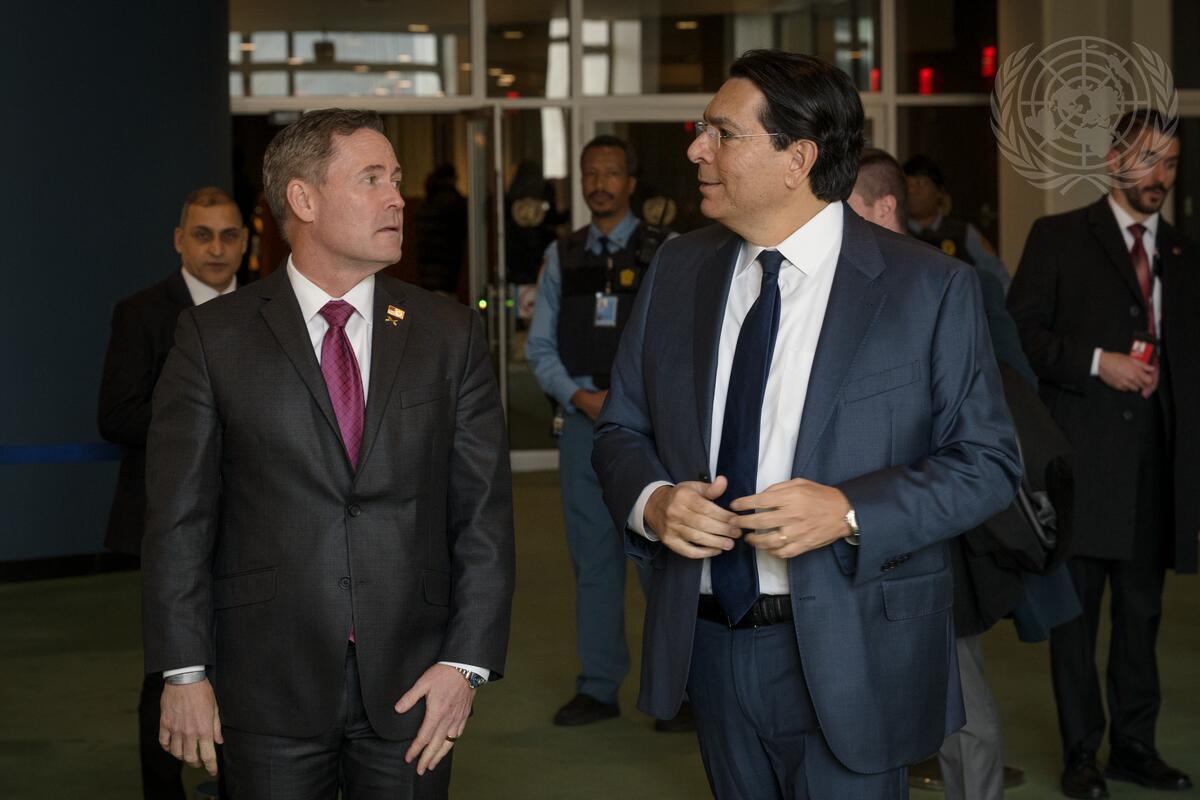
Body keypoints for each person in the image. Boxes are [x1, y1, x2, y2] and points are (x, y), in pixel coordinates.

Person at [592, 50, 1021, 798]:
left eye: (722, 134)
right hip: (709, 641)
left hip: (855, 646)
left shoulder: (928, 288)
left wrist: (850, 511)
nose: (696, 150)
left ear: (798, 159)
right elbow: (620, 429)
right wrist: (654, 502)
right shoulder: (678, 269)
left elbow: (988, 462)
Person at [141, 109, 515, 799]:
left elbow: (483, 515)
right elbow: (179, 521)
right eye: (372, 179)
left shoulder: (450, 334)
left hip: (415, 682)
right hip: (264, 682)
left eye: (396, 178)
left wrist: (466, 664)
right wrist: (184, 672)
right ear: (303, 199)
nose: (397, 198)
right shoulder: (212, 338)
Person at [1008, 108, 1198, 799]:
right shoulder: (1059, 237)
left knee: (1142, 618)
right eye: (1148, 159)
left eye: (1170, 163)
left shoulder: (1183, 252)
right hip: (1082, 467)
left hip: (1156, 470)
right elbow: (1021, 333)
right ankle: (1082, 754)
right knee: (1076, 620)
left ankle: (1136, 749)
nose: (1160, 176)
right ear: (1115, 160)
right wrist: (1096, 361)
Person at [525, 135, 684, 730]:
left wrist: (639, 403)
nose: (599, 184)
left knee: (662, 561)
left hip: (651, 429)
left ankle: (678, 692)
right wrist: (579, 396)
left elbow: (684, 342)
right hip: (583, 424)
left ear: (631, 183)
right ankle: (597, 686)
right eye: (590, 173)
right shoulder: (562, 255)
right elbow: (539, 348)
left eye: (611, 173)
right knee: (593, 560)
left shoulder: (667, 250)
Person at [98, 186, 245, 800]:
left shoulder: (272, 307)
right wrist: (203, 418)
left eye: (229, 235)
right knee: (172, 666)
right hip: (168, 517)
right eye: (203, 235)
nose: (217, 248)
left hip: (252, 518)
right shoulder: (141, 312)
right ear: (179, 241)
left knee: (247, 664)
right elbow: (116, 415)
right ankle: (163, 792)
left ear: (246, 242)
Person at [904, 153, 1011, 293]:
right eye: (908, 185)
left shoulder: (963, 232)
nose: (912, 191)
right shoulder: (898, 233)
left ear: (940, 192)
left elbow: (999, 277)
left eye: (921, 183)